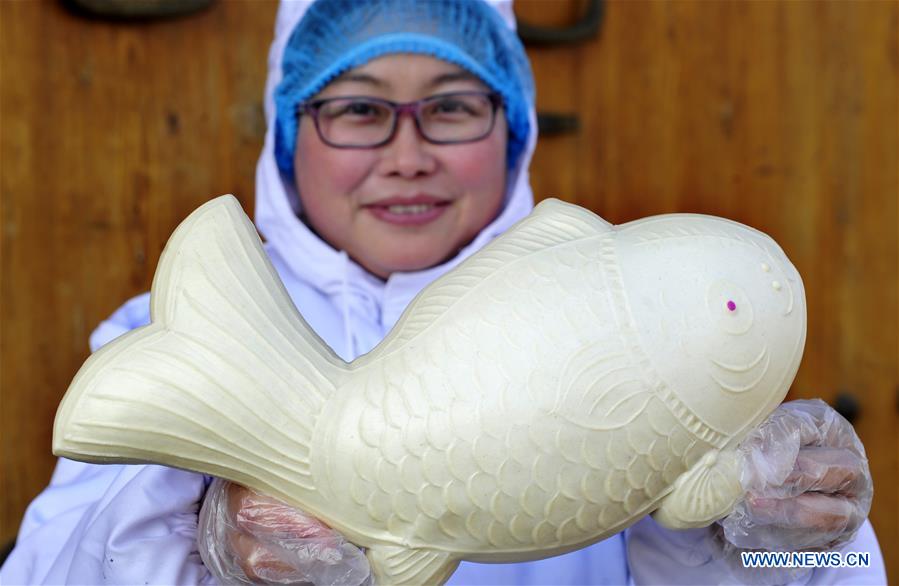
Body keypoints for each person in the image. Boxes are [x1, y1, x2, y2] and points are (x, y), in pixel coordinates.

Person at [1, 0, 886, 584]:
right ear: (285, 135)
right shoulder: (182, 332)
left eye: (453, 105)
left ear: (513, 131)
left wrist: (778, 536)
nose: (407, 151)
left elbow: (847, 583)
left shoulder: (657, 309)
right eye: (356, 108)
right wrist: (207, 552)